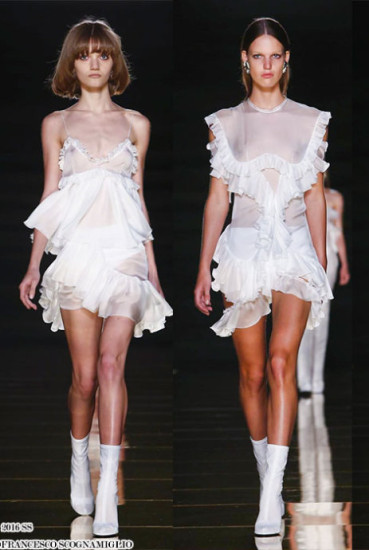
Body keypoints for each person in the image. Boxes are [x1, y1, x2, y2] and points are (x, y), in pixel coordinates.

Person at [18, 19, 172, 537]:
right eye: (84, 54)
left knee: (111, 366)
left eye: (102, 54)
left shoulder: (137, 124)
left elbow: (137, 199)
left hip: (125, 256)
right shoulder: (56, 124)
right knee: (84, 378)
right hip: (79, 257)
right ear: (72, 63)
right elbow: (50, 196)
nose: (94, 63)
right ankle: (78, 458)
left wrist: (152, 270)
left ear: (114, 62)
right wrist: (34, 264)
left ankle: (107, 489)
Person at [194, 17, 332, 537]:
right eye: (259, 56)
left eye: (276, 56)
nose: (267, 65)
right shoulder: (224, 123)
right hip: (244, 250)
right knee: (252, 374)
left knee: (279, 363)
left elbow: (315, 194)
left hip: (293, 249)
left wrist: (319, 260)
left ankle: (272, 489)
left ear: (287, 60)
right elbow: (218, 198)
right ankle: (265, 472)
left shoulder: (312, 120)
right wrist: (203, 267)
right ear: (245, 61)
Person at [297, 173, 350, 395]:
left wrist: (345, 264)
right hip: (304, 257)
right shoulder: (298, 193)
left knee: (323, 316)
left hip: (330, 258)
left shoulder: (336, 197)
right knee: (301, 314)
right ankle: (303, 380)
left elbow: (338, 233)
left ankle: (317, 380)